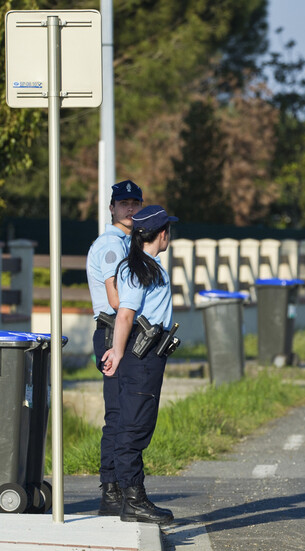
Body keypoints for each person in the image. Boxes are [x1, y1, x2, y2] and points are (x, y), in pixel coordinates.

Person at [101, 205, 179, 524]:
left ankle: (129, 494)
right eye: (168, 230)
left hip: (150, 355)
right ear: (161, 234)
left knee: (136, 423)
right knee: (134, 427)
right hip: (141, 357)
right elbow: (125, 314)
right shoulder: (138, 269)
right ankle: (133, 498)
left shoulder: (145, 265)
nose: (169, 235)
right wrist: (118, 353)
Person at [84, 180, 143, 516]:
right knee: (119, 416)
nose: (130, 209)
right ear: (112, 208)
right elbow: (114, 297)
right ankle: (111, 492)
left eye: (135, 202)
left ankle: (118, 488)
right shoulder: (112, 244)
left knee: (124, 415)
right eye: (123, 203)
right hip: (111, 331)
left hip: (117, 331)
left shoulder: (127, 242)